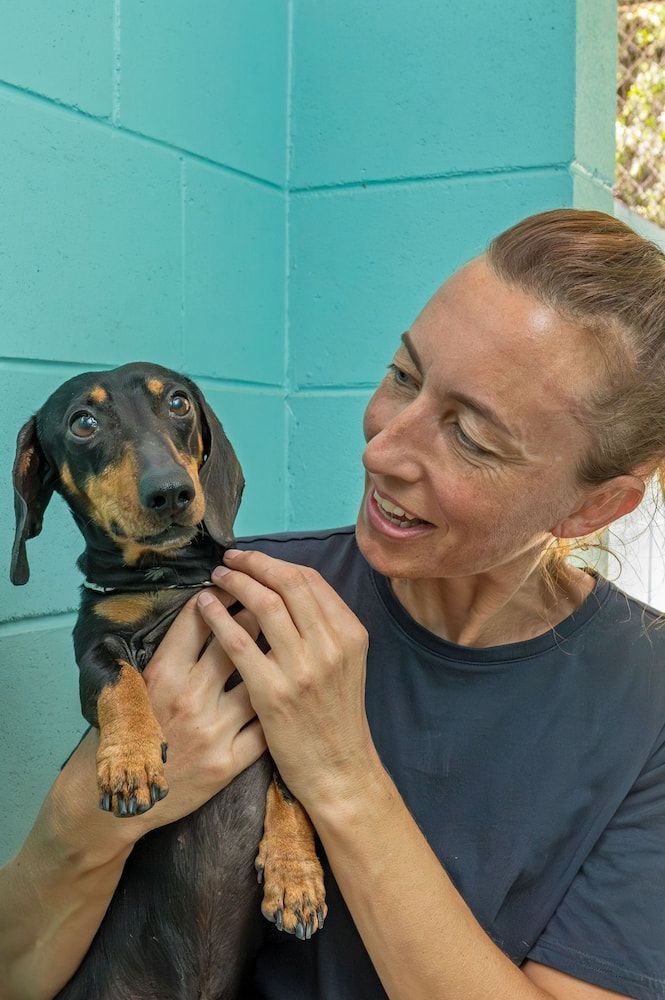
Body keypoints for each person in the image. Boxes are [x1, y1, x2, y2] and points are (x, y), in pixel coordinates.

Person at [2, 208, 665, 1000]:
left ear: (593, 509)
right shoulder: (240, 595)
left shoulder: (645, 705)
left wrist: (339, 773)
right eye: (403, 376)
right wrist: (85, 821)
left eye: (472, 437)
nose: (379, 449)